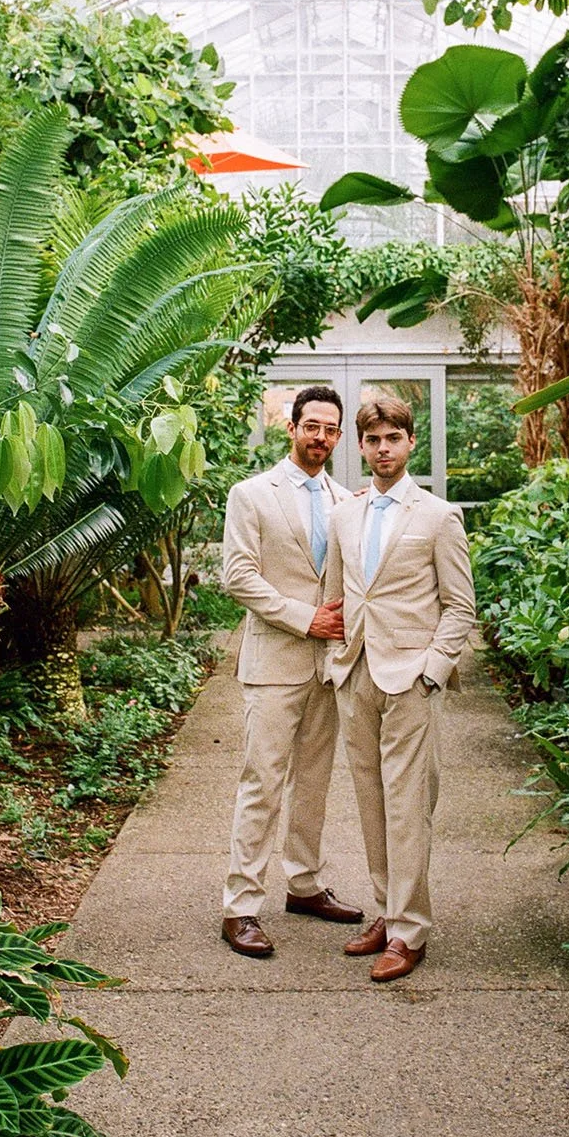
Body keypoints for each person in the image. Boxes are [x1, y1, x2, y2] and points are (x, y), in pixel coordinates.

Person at [324, 395, 476, 983]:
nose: (382, 448)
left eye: (393, 438)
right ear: (360, 447)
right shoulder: (345, 515)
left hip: (409, 679)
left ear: (411, 443)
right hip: (357, 673)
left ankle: (410, 932)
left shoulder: (439, 517)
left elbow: (459, 607)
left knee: (408, 806)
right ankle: (387, 914)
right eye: (372, 439)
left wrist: (431, 670)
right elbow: (335, 597)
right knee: (370, 802)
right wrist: (337, 662)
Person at [219, 385, 364, 957]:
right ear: (293, 427)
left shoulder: (345, 501)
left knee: (314, 783)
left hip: (329, 669)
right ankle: (241, 907)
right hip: (275, 662)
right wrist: (307, 620)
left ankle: (303, 885)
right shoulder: (251, 494)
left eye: (331, 429)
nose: (321, 437)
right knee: (261, 783)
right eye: (313, 426)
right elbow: (238, 575)